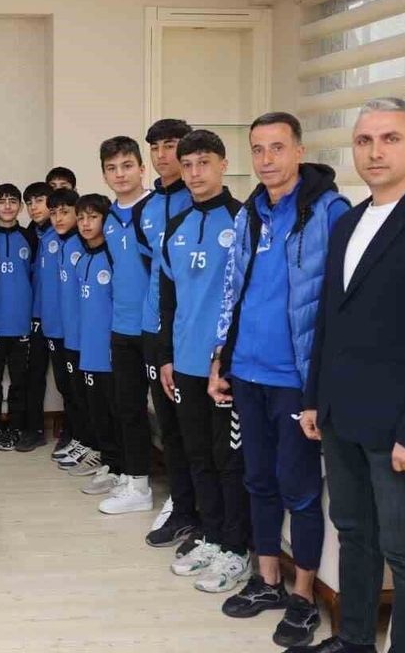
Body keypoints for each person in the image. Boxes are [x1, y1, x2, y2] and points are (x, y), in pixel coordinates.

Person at [289, 98, 405, 653]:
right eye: (364, 140)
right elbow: (329, 321)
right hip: (341, 415)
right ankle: (354, 641)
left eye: (390, 139)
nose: (375, 151)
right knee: (354, 535)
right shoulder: (348, 222)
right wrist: (313, 399)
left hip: (399, 426)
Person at [208, 112, 349, 647]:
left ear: (299, 150)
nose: (266, 160)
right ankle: (267, 581)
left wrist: (322, 387)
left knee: (300, 489)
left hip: (296, 379)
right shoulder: (250, 212)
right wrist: (221, 359)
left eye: (277, 148)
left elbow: (339, 303)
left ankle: (303, 597)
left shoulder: (330, 212)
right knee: (258, 480)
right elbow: (233, 291)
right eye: (258, 150)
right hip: (247, 371)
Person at [158, 129, 251, 595]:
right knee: (197, 456)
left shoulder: (244, 220)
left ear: (222, 164)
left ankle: (237, 548)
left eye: (204, 163)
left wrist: (227, 357)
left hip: (225, 369)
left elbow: (248, 298)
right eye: (188, 164)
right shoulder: (176, 226)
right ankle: (212, 537)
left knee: (227, 460)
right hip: (185, 364)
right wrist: (166, 358)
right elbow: (168, 298)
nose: (195, 173)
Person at [140, 119, 202, 553]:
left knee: (194, 434)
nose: (163, 155)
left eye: (171, 146)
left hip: (192, 336)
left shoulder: (198, 202)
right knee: (170, 430)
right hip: (154, 330)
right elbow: (153, 272)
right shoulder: (147, 207)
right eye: (156, 148)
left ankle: (201, 517)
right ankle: (182, 509)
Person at [96, 136, 156, 515]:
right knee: (127, 408)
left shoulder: (156, 209)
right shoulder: (109, 218)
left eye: (127, 166)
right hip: (122, 327)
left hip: (155, 330)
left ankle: (181, 497)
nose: (120, 174)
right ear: (104, 175)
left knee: (169, 417)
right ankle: (137, 483)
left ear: (141, 167)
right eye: (112, 168)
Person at [71, 193, 125, 504]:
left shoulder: (114, 257)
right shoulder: (83, 259)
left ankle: (121, 468)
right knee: (98, 413)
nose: (86, 223)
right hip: (88, 350)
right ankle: (109, 463)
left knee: (115, 411)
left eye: (92, 217)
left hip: (110, 351)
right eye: (81, 218)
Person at [0, 183, 34, 452]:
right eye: (2, 201)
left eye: (13, 201)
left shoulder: (30, 237)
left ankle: (14, 428)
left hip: (21, 322)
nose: (8, 206)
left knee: (19, 382)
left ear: (20, 206)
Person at [43, 189, 94, 475]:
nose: (58, 218)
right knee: (68, 389)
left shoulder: (83, 245)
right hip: (61, 330)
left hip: (80, 335)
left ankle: (87, 442)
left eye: (65, 212)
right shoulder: (59, 243)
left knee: (81, 393)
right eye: (54, 213)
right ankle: (78, 438)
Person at [18, 181, 54, 452]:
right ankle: (34, 430)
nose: (33, 207)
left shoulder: (64, 233)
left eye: (39, 201)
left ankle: (75, 434)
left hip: (62, 318)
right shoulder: (30, 235)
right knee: (34, 375)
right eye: (29, 202)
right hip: (35, 316)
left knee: (70, 380)